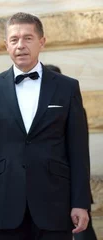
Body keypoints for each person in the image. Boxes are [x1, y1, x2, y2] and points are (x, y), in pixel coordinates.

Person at [0, 12, 91, 240]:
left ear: (42, 42)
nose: (21, 45)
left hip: (56, 203)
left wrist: (80, 203)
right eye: (14, 39)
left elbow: (78, 152)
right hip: (7, 203)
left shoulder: (67, 88)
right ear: (6, 45)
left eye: (28, 38)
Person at [45, 64, 97, 240]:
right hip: (52, 185)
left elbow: (79, 150)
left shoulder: (70, 107)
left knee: (81, 231)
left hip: (68, 182)